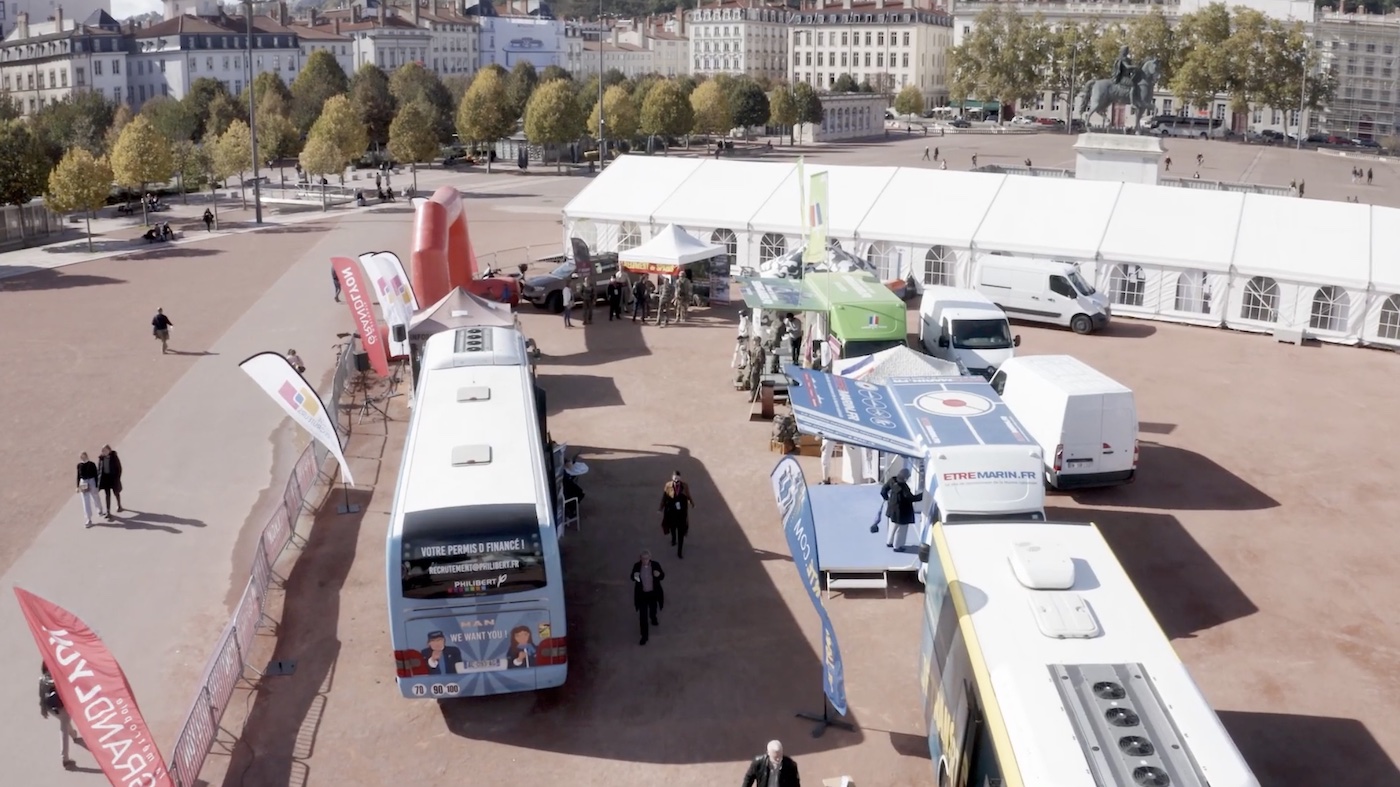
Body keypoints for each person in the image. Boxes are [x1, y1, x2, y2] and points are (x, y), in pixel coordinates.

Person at [39, 663, 78, 771]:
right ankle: (65, 758)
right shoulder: (58, 677)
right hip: (62, 706)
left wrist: (43, 709)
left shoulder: (42, 679)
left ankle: (74, 734)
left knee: (64, 722)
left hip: (51, 708)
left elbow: (41, 694)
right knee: (63, 727)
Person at [879, 468, 923, 548]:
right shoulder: (904, 488)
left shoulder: (892, 480)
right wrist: (923, 495)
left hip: (892, 509)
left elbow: (883, 490)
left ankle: (889, 542)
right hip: (902, 513)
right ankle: (897, 546)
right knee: (901, 530)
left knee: (892, 527)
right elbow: (911, 498)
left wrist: (887, 498)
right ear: (905, 478)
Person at [631, 550, 665, 646]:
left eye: (646, 558)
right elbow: (632, 577)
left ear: (650, 558)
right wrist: (635, 576)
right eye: (643, 558)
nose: (645, 560)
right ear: (640, 559)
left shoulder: (655, 565)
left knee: (653, 608)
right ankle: (644, 636)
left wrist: (658, 575)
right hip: (642, 595)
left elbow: (662, 576)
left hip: (653, 593)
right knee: (643, 616)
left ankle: (653, 617)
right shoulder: (637, 566)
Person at [659, 471, 694, 559]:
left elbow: (688, 495)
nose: (676, 480)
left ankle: (679, 552)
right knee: (672, 528)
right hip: (671, 512)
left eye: (677, 478)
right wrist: (661, 508)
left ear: (680, 478)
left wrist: (692, 503)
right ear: (672, 478)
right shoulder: (668, 485)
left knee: (681, 532)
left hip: (681, 513)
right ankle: (674, 539)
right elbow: (664, 497)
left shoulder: (684, 486)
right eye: (675, 478)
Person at [97, 445, 123, 520]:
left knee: (116, 492)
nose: (104, 452)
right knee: (107, 495)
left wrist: (117, 477)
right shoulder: (101, 458)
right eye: (103, 451)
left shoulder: (114, 457)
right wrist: (99, 479)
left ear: (109, 450)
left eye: (105, 450)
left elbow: (119, 468)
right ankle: (108, 511)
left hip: (113, 478)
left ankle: (119, 505)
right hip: (105, 479)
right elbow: (99, 469)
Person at [76, 452, 100, 527]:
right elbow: (78, 476)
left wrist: (96, 485)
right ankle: (88, 519)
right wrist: (77, 486)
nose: (83, 458)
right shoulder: (79, 465)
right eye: (81, 457)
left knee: (95, 496)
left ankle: (99, 509)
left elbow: (96, 475)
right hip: (83, 482)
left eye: (84, 456)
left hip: (91, 480)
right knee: (85, 501)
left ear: (87, 456)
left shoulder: (91, 464)